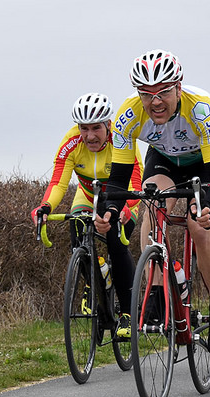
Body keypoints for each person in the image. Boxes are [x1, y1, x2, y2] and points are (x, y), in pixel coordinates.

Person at [95, 49, 210, 355]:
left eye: (163, 92)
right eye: (146, 94)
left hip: (208, 165)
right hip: (166, 161)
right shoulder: (128, 115)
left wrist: (207, 206)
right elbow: (118, 181)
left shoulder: (201, 109)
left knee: (200, 228)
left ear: (178, 87)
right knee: (151, 203)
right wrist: (110, 210)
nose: (155, 101)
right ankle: (156, 291)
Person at [32, 92, 143, 338]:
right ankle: (95, 282)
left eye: (96, 128)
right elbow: (59, 182)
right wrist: (45, 207)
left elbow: (136, 182)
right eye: (84, 128)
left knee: (116, 243)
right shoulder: (71, 142)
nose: (90, 136)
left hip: (121, 198)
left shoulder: (122, 140)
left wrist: (125, 209)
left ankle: (127, 313)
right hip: (87, 195)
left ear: (108, 125)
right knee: (77, 237)